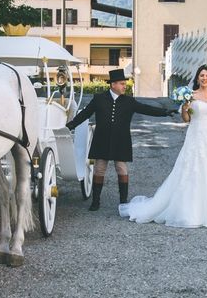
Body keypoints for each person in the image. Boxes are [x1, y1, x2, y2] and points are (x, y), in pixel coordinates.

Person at [119, 64, 207, 227]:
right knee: (192, 169)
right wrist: (185, 107)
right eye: (202, 75)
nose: (204, 78)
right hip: (196, 137)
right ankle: (190, 210)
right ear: (197, 78)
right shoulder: (192, 95)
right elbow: (186, 119)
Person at [66, 69, 175, 211]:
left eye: (125, 84)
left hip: (121, 140)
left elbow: (146, 109)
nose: (125, 86)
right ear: (113, 85)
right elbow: (85, 114)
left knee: (121, 168)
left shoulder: (129, 101)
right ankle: (96, 201)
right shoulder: (99, 98)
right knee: (99, 169)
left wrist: (165, 112)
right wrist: (70, 126)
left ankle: (123, 201)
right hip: (102, 139)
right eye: (122, 84)